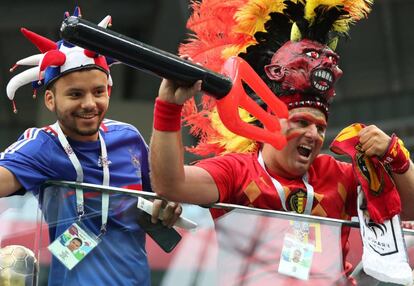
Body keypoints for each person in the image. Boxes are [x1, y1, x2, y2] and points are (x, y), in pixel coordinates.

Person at [150, 0, 414, 284]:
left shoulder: (335, 174)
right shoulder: (237, 171)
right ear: (266, 119)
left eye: (320, 127)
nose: (313, 135)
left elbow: (407, 209)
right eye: (301, 122)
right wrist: (168, 107)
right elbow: (170, 185)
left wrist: (398, 160)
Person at [0, 7, 181, 286]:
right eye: (75, 94)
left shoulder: (129, 137)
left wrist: (167, 206)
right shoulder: (42, 144)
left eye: (98, 92)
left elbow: (162, 194)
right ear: (50, 100)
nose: (89, 104)